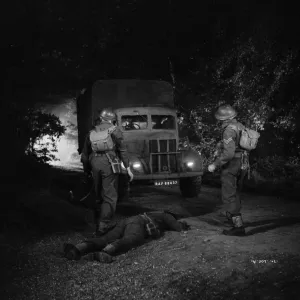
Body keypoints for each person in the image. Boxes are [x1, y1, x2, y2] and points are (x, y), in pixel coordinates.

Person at [81, 108, 134, 236]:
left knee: (97, 193)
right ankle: (103, 227)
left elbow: (84, 155)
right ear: (112, 120)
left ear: (101, 119)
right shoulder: (115, 131)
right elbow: (122, 151)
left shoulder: (91, 132)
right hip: (109, 163)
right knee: (109, 195)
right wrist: (128, 168)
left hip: (94, 163)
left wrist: (87, 170)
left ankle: (94, 223)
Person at [62, 210, 190, 263]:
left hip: (128, 220)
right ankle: (103, 252)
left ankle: (77, 248)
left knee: (104, 239)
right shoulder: (165, 214)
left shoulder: (154, 213)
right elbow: (178, 228)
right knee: (133, 238)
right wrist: (183, 225)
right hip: (138, 222)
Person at [208, 104, 249, 236]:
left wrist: (215, 164)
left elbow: (229, 154)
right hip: (243, 163)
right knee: (235, 191)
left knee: (229, 194)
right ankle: (232, 218)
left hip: (233, 164)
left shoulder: (228, 130)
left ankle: (238, 227)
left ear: (222, 119)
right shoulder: (240, 126)